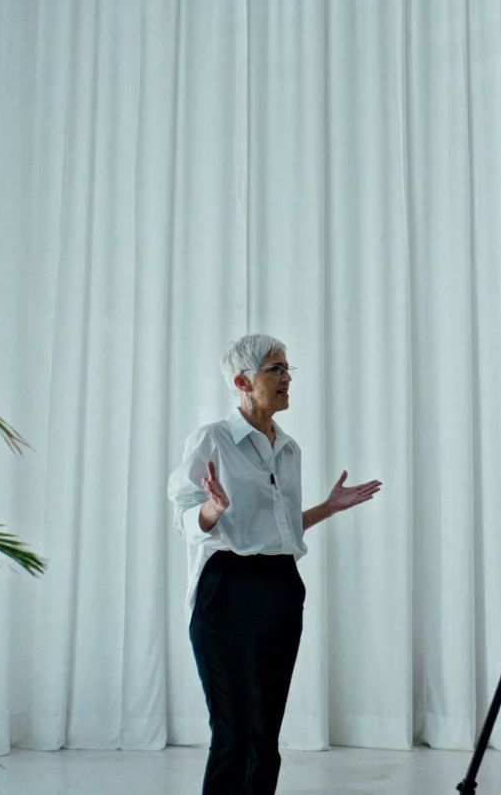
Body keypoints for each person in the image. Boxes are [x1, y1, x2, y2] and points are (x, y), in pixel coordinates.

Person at [167, 334, 382, 795]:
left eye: (288, 369)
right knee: (233, 733)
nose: (287, 379)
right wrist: (212, 510)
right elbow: (184, 516)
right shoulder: (214, 439)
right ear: (243, 381)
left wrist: (328, 507)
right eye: (275, 370)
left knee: (266, 734)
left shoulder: (289, 448)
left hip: (281, 586)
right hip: (227, 586)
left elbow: (279, 530)